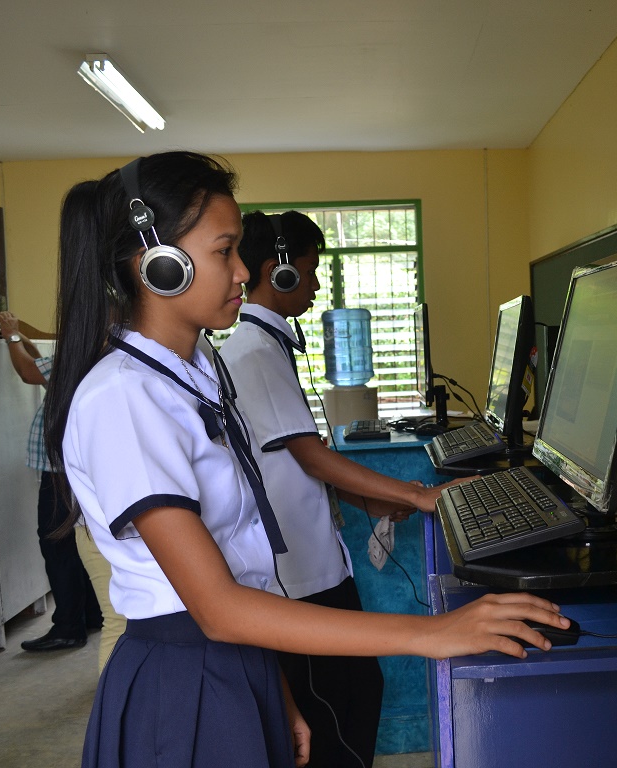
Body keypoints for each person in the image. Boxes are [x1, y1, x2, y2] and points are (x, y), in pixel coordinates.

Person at [43, 151, 569, 768]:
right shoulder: (124, 396)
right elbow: (215, 607)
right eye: (224, 251)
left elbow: (241, 572)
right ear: (160, 264)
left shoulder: (196, 373)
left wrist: (276, 691)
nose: (244, 271)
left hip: (237, 662)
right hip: (186, 679)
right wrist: (433, 634)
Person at [220, 210, 447, 767]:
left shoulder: (267, 347)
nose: (318, 284)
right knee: (342, 709)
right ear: (279, 272)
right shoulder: (252, 352)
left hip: (313, 564)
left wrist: (371, 498)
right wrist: (414, 495)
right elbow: (310, 456)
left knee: (352, 696)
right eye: (311, 270)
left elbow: (288, 463)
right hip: (300, 575)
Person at [0, 310, 104, 652]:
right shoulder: (100, 350)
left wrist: (12, 335)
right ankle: (89, 615)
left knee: (55, 544)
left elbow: (30, 372)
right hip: (77, 465)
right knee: (76, 542)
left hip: (59, 468)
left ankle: (67, 627)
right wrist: (23, 338)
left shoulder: (80, 351)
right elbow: (46, 372)